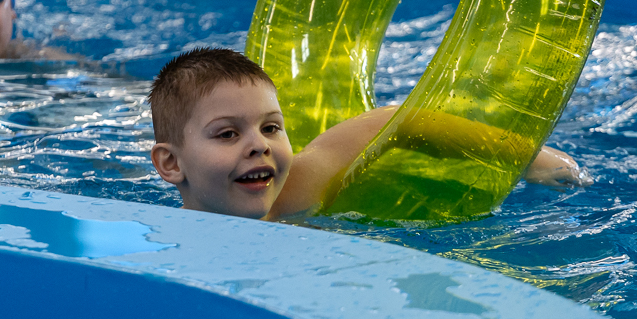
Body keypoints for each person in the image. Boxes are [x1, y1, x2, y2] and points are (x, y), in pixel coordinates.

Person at [149, 47, 589, 220]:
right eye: (227, 134)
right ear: (171, 164)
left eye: (271, 127)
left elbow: (395, 121)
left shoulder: (299, 189)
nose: (260, 145)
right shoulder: (165, 235)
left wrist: (525, 156)